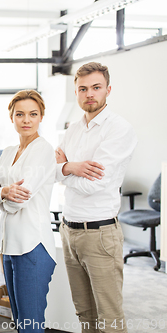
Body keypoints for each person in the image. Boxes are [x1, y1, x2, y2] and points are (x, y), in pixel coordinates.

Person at [55, 62, 137, 333]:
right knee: (84, 313)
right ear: (76, 93)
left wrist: (65, 168)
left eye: (96, 88)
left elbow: (94, 185)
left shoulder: (118, 129)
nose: (89, 94)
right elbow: (53, 170)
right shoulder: (73, 129)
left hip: (99, 234)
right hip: (69, 230)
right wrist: (71, 167)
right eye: (83, 89)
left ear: (108, 90)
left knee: (109, 318)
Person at [0, 90, 56, 333]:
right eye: (20, 114)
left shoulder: (43, 149)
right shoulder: (8, 152)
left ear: (41, 117)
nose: (26, 120)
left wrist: (2, 196)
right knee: (19, 321)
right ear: (12, 118)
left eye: (33, 114)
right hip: (8, 245)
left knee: (30, 324)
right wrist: (3, 193)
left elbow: (20, 199)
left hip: (33, 246)